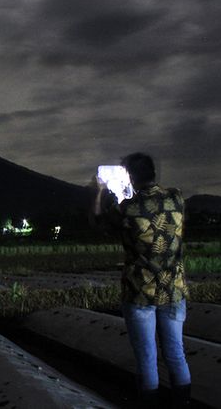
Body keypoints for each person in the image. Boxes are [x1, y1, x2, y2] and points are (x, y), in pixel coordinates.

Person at [92, 153, 191, 408]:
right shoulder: (176, 197)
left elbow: (99, 222)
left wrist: (101, 191)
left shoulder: (128, 209)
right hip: (173, 291)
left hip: (140, 293)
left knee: (147, 357)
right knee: (176, 353)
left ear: (131, 176)